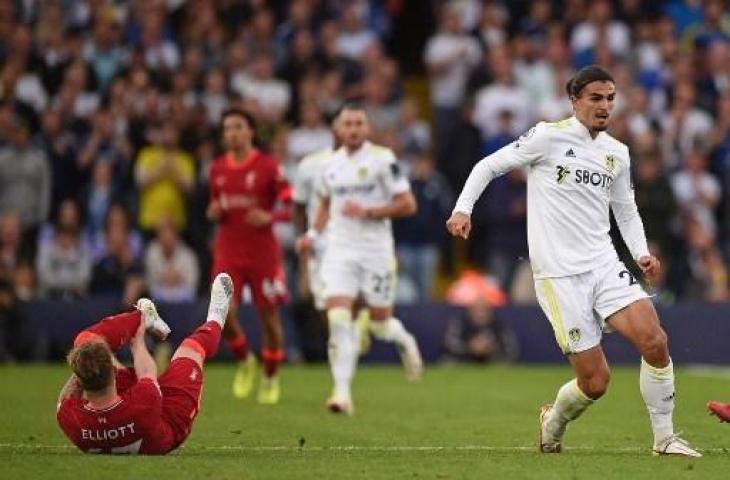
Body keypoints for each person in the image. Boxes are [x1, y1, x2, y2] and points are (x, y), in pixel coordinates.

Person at [446, 65, 700, 457]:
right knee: (596, 381)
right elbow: (488, 166)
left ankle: (664, 439)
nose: (604, 106)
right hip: (559, 275)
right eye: (596, 98)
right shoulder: (548, 136)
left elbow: (626, 210)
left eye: (611, 98)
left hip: (604, 263)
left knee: (655, 340)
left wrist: (641, 254)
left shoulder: (617, 153)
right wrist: (463, 210)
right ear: (575, 100)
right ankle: (554, 422)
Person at [296, 104, 423, 415]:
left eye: (358, 123)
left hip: (376, 250)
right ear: (338, 130)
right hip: (339, 250)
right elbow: (326, 204)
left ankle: (404, 340)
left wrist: (369, 212)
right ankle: (341, 394)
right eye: (347, 124)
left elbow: (408, 204)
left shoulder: (383, 160)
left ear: (367, 129)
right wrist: (312, 235)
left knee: (380, 325)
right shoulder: (330, 166)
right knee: (338, 319)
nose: (353, 129)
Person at [56, 273, 233, 455]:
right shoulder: (143, 401)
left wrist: (84, 364)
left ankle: (141, 318)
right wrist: (137, 340)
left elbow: (66, 398)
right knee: (191, 349)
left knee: (85, 342)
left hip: (126, 404)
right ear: (112, 371)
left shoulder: (70, 419)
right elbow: (147, 370)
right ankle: (216, 318)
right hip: (166, 424)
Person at [207, 108, 290, 404]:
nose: (232, 133)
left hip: (262, 255)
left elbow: (291, 207)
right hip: (228, 251)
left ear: (250, 132)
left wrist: (269, 216)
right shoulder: (217, 169)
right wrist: (214, 211)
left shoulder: (268, 167)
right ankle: (245, 360)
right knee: (222, 314)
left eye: (238, 127)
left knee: (269, 318)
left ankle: (270, 377)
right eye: (227, 128)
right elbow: (215, 205)